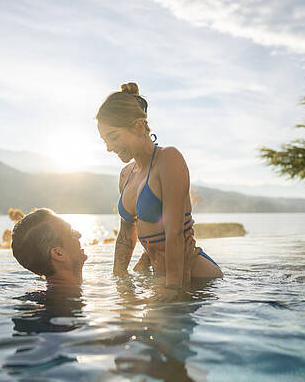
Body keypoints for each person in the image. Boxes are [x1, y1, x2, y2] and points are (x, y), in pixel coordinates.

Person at [96, 82, 223, 294]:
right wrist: (119, 284)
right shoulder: (126, 175)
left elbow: (174, 234)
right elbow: (126, 237)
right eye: (104, 140)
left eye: (114, 137)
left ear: (138, 126)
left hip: (199, 282)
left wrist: (173, 291)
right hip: (163, 280)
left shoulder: (169, 159)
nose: (109, 148)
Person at [11, 208, 200, 288]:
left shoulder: (71, 292)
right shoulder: (64, 309)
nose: (79, 235)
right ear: (58, 253)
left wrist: (146, 261)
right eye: (70, 232)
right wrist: (182, 271)